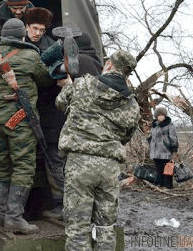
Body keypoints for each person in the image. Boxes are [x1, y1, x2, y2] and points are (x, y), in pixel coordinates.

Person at [56, 49, 140, 250]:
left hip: (80, 165)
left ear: (109, 65)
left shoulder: (82, 85)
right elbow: (126, 136)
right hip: (110, 168)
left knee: (78, 229)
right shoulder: (132, 104)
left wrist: (68, 86)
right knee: (106, 228)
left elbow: (60, 103)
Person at [0, 18, 53, 234]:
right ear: (22, 36)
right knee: (23, 166)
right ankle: (15, 217)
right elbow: (45, 79)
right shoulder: (31, 56)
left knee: (0, 165)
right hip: (21, 120)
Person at [38, 31, 103, 221]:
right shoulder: (96, 62)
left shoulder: (78, 61)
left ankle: (63, 207)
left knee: (57, 163)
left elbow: (51, 73)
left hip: (61, 122)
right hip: (86, 127)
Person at [148, 106, 178, 189]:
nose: (161, 116)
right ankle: (160, 185)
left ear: (165, 116)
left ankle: (168, 186)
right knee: (159, 170)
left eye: (162, 115)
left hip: (166, 151)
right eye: (159, 115)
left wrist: (174, 148)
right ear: (156, 116)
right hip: (156, 152)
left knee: (168, 170)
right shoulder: (154, 125)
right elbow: (151, 137)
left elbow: (173, 137)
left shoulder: (170, 125)